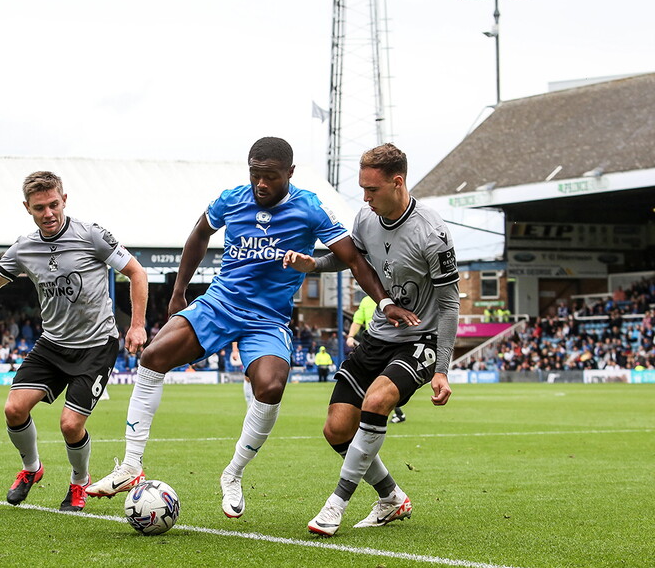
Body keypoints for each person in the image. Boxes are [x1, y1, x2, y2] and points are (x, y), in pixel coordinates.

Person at [86, 137, 417, 518]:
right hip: (220, 304)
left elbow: (354, 260)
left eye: (270, 177)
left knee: (271, 386)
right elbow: (198, 234)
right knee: (154, 356)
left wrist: (385, 301)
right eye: (255, 174)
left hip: (267, 319)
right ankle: (130, 465)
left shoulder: (310, 208)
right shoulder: (232, 198)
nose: (261, 183)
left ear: (289, 174)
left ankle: (233, 473)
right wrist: (179, 293)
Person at [0, 171, 147, 513]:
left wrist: (136, 325)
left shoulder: (92, 235)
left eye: (53, 205)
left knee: (70, 424)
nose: (48, 213)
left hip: (95, 345)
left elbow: (137, 272)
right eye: (39, 208)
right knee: (14, 408)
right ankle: (32, 469)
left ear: (65, 199)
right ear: (27, 208)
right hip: (52, 343)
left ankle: (79, 482)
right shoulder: (24, 248)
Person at [283, 143, 458, 536]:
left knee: (377, 401)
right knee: (337, 429)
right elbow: (350, 260)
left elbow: (449, 306)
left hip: (420, 340)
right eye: (362, 188)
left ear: (397, 183)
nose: (365, 197)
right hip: (378, 336)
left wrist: (442, 369)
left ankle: (336, 504)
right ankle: (391, 497)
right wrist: (313, 263)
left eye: (372, 189)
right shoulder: (365, 218)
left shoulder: (434, 233)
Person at [347, 296, 406, 424]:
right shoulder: (366, 300)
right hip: (372, 344)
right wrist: (351, 336)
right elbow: (357, 320)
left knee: (384, 381)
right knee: (374, 381)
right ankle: (395, 413)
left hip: (392, 342)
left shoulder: (393, 296)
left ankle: (393, 412)